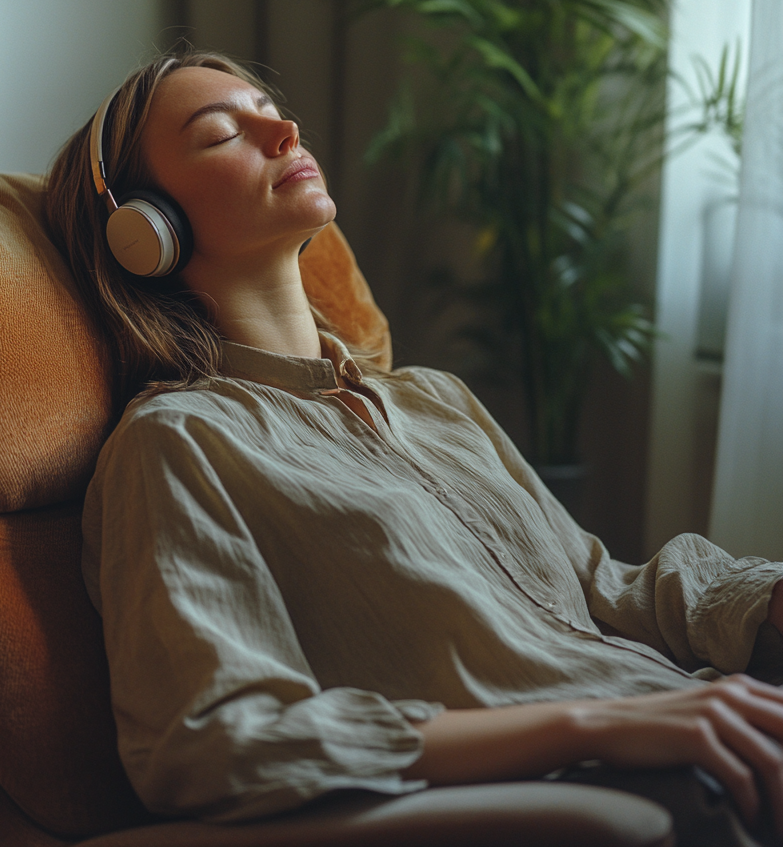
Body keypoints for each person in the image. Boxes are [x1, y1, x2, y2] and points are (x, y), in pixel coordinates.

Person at [46, 50, 783, 845]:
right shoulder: (178, 444)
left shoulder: (434, 400)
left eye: (270, 106)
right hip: (599, 777)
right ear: (144, 229)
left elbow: (600, 586)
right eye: (224, 131)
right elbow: (212, 742)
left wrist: (762, 598)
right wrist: (591, 725)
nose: (283, 128)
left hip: (705, 711)